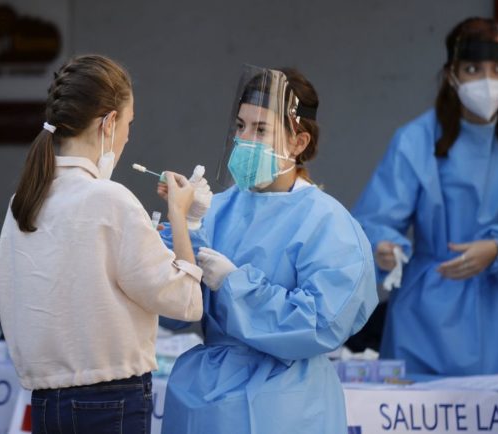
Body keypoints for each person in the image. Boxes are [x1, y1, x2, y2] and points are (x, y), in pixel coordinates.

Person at [352, 17, 498, 434]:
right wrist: (385, 245)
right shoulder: (416, 140)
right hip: (428, 322)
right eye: (473, 69)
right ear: (452, 75)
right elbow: (372, 220)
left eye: (497, 69)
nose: (487, 81)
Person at [157, 65, 378, 434]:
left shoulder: (329, 225)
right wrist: (186, 227)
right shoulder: (216, 209)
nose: (245, 139)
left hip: (289, 406)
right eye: (241, 127)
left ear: (299, 142)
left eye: (261, 130)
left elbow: (320, 324)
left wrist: (235, 285)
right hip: (205, 404)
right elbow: (172, 311)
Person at [0, 54, 204, 434]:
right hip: (111, 399)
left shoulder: (23, 200)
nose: (127, 136)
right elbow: (186, 301)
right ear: (108, 122)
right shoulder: (110, 199)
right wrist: (182, 216)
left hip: (45, 399)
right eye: (128, 124)